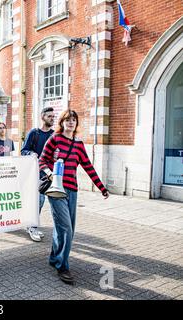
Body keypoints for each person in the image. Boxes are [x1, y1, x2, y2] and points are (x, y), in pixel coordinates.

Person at [39, 109, 109, 285]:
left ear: (76, 123)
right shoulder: (54, 139)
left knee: (65, 228)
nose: (70, 122)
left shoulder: (78, 144)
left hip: (72, 191)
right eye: (67, 120)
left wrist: (101, 187)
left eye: (73, 120)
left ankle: (55, 257)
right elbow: (42, 160)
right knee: (66, 229)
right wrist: (50, 174)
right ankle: (63, 266)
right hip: (55, 190)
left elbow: (88, 166)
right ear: (62, 122)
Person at [21, 107, 55, 242]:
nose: (52, 119)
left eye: (53, 116)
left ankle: (30, 223)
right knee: (39, 201)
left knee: (52, 203)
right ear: (42, 117)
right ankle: (32, 226)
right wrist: (31, 153)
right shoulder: (34, 133)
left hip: (51, 175)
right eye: (49, 116)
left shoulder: (54, 135)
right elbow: (23, 150)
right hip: (36, 174)